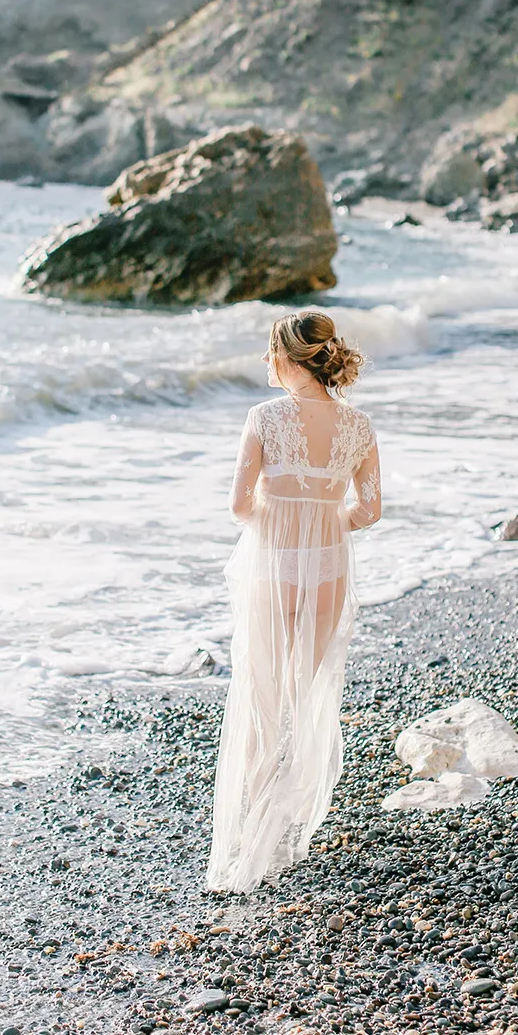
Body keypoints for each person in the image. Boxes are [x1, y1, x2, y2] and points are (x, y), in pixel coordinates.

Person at [206, 310, 382, 893]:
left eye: (270, 351)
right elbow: (369, 510)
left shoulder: (264, 417)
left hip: (272, 565)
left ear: (289, 358)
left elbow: (238, 506)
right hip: (328, 567)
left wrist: (279, 518)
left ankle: (253, 831)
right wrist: (325, 522)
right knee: (304, 694)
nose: (265, 360)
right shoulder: (359, 425)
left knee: (261, 697)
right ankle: (287, 826)